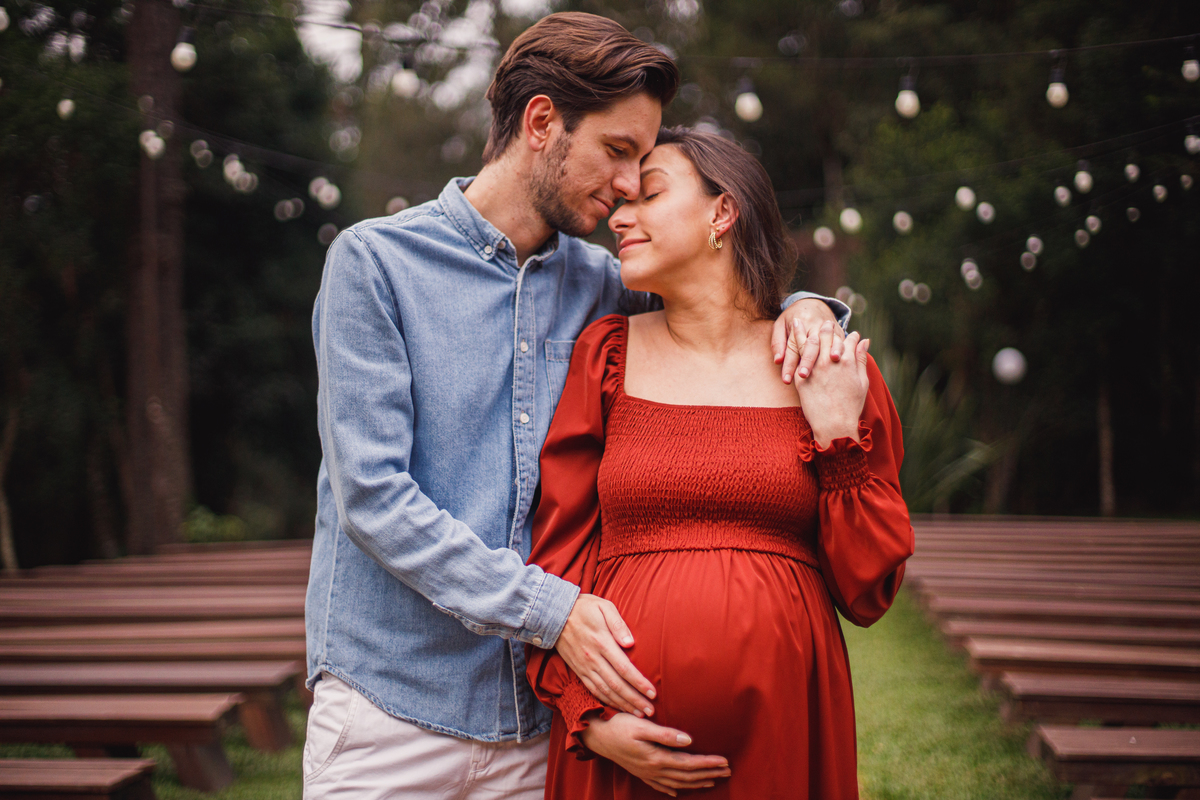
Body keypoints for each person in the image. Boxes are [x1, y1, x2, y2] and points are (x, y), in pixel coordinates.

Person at [303, 13, 849, 800]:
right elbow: (375, 500)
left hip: (535, 731)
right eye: (618, 151)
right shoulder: (375, 265)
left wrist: (807, 307)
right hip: (392, 710)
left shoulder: (601, 284)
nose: (630, 185)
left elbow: (720, 288)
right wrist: (551, 611)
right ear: (541, 123)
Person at [526, 126, 914, 799]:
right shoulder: (605, 356)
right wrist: (586, 721)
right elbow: (555, 560)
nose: (619, 215)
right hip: (619, 749)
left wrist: (837, 441)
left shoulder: (831, 369)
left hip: (782, 729)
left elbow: (868, 589)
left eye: (648, 195)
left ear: (722, 211)